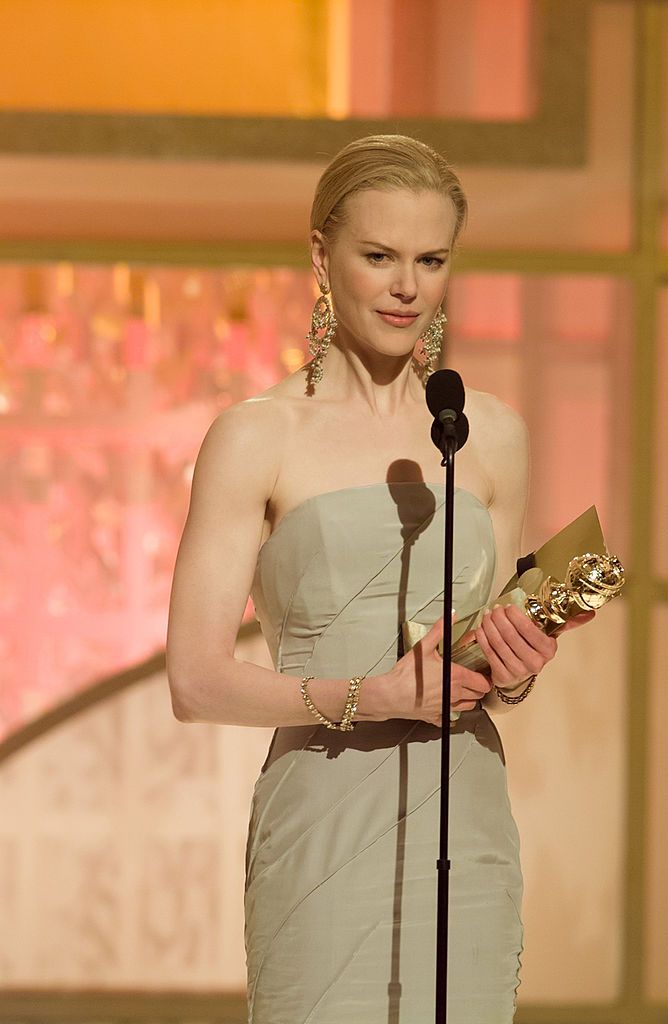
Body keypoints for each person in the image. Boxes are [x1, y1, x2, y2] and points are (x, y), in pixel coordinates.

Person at [166, 134, 594, 1024]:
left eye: (431, 259)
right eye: (380, 256)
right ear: (321, 257)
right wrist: (378, 693)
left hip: (464, 820)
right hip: (326, 818)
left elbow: (474, 670)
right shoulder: (256, 435)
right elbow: (195, 680)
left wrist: (509, 666)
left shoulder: (487, 433)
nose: (408, 286)